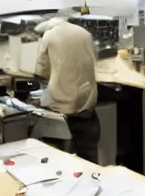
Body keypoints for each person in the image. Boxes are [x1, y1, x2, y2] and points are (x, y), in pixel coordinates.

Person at [34, 17, 100, 163]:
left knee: (58, 156)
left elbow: (41, 71)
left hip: (61, 104)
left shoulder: (49, 36)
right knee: (88, 154)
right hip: (86, 100)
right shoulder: (85, 34)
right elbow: (94, 59)